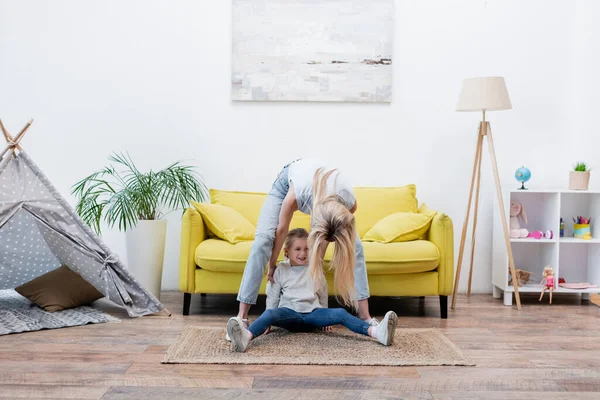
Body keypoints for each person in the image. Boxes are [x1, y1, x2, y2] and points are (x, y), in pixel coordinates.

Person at [231, 158, 377, 339]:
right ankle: (241, 317)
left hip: (327, 201)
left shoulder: (348, 199)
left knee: (356, 247)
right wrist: (273, 264)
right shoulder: (296, 195)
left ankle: (366, 317)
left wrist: (317, 263)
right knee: (262, 242)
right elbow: (282, 230)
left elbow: (344, 221)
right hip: (289, 184)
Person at [227, 228, 398, 352]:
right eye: (298, 249)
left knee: (340, 313)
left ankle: (377, 333)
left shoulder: (315, 268)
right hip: (289, 315)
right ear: (287, 252)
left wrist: (325, 318)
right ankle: (245, 337)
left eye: (307, 249)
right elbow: (272, 297)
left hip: (313, 315)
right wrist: (269, 322)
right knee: (269, 313)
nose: (303, 253)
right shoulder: (281, 270)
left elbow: (322, 293)